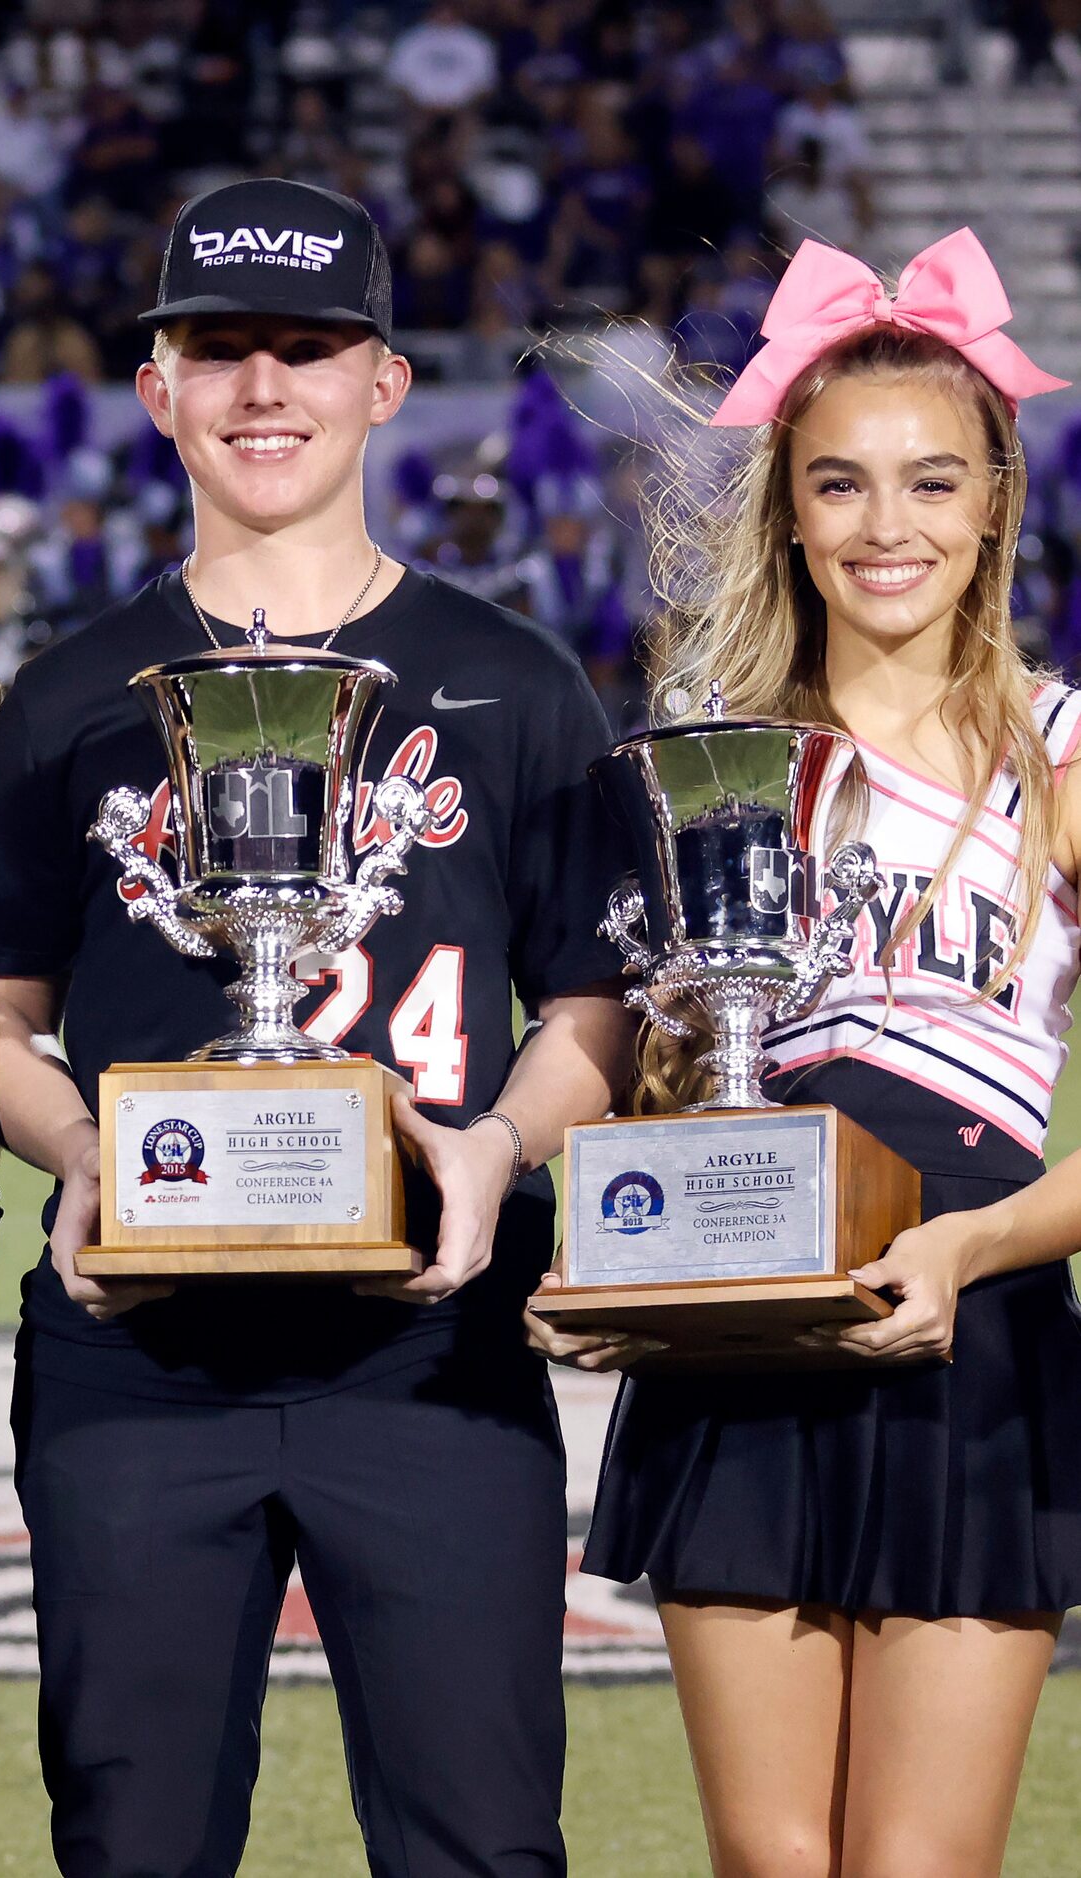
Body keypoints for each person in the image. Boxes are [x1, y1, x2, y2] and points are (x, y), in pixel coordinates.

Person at [0, 178, 639, 1877]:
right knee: (134, 1840)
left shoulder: (513, 680)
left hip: (423, 1342)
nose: (264, 388)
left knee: (475, 1838)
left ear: (380, 383)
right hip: (134, 1361)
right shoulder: (63, 694)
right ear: (157, 388)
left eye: (307, 349)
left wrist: (492, 1144)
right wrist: (79, 1159)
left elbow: (591, 997)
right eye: (219, 349)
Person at [547, 231, 1081, 1878]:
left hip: (969, 1338)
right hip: (737, 1340)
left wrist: (970, 1243)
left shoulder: (1056, 749)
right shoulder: (713, 761)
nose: (884, 526)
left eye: (930, 482)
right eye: (838, 484)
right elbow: (643, 1077)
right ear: (786, 506)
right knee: (769, 1862)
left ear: (991, 500)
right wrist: (605, 1263)